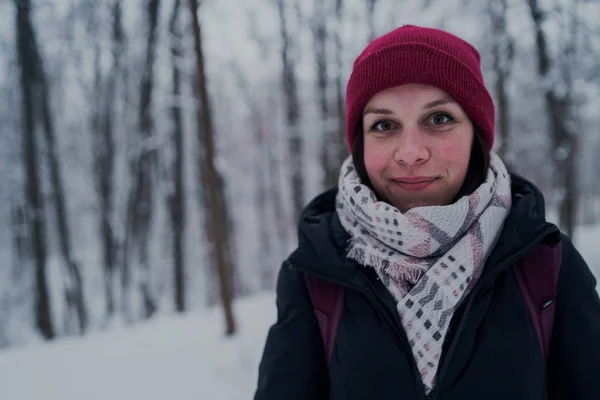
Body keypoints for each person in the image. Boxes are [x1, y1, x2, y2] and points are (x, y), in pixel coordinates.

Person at [253, 25, 600, 400]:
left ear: (476, 135)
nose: (411, 152)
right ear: (360, 143)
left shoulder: (547, 264)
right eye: (384, 125)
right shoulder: (314, 273)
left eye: (439, 119)